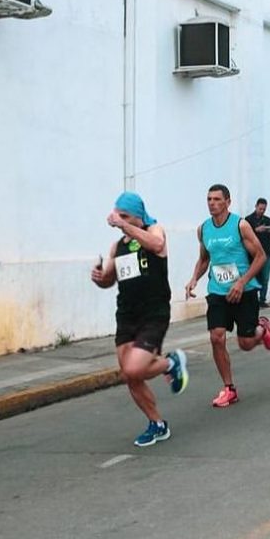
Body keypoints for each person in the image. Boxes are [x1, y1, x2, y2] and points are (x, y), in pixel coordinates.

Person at [91, 192, 188, 447]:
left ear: (137, 216)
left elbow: (156, 246)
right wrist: (100, 277)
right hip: (126, 315)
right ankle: (157, 424)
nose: (119, 221)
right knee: (129, 374)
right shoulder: (118, 246)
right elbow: (110, 279)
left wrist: (125, 226)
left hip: (153, 313)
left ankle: (170, 363)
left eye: (125, 216)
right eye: (117, 216)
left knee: (135, 368)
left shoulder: (154, 230)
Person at [185, 185, 270, 409]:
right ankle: (229, 388)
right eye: (209, 199)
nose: (212, 203)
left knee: (245, 344)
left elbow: (261, 256)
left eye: (217, 199)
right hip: (217, 291)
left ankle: (261, 328)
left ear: (228, 201)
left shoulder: (240, 225)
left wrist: (242, 281)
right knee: (216, 337)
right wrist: (194, 279)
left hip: (244, 291)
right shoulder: (203, 229)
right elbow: (205, 259)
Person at [245, 197, 270, 307]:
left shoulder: (268, 220)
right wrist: (256, 230)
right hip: (254, 255)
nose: (262, 211)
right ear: (256, 207)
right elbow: (245, 235)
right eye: (260, 209)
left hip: (267, 254)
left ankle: (262, 299)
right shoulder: (248, 220)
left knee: (265, 278)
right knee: (254, 277)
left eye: (264, 209)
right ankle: (253, 299)